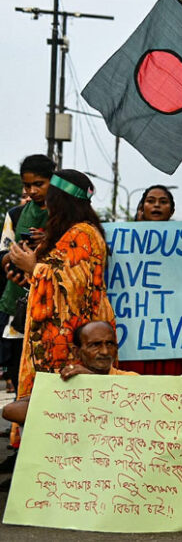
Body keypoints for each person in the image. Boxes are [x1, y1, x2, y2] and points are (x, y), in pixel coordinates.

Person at [7, 169, 114, 451]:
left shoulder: (82, 233)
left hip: (69, 344)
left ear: (62, 200)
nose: (47, 204)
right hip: (56, 340)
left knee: (63, 415)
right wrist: (28, 273)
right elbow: (58, 278)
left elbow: (74, 284)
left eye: (51, 198)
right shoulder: (71, 232)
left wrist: (33, 267)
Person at [1, 321, 136, 427]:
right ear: (76, 352)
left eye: (110, 344)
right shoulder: (67, 383)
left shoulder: (131, 379)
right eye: (95, 345)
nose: (105, 351)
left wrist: (94, 383)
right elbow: (10, 411)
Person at [118, 185, 182, 376]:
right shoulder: (122, 241)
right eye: (151, 201)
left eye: (163, 202)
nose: (156, 205)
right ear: (142, 207)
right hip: (133, 329)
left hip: (168, 329)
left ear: (172, 210)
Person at [0, 155, 53, 396]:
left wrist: (48, 242)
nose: (31, 191)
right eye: (27, 185)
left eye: (39, 184)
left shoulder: (66, 214)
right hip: (18, 303)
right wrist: (13, 263)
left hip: (51, 305)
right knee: (16, 366)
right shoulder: (16, 214)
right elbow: (3, 250)